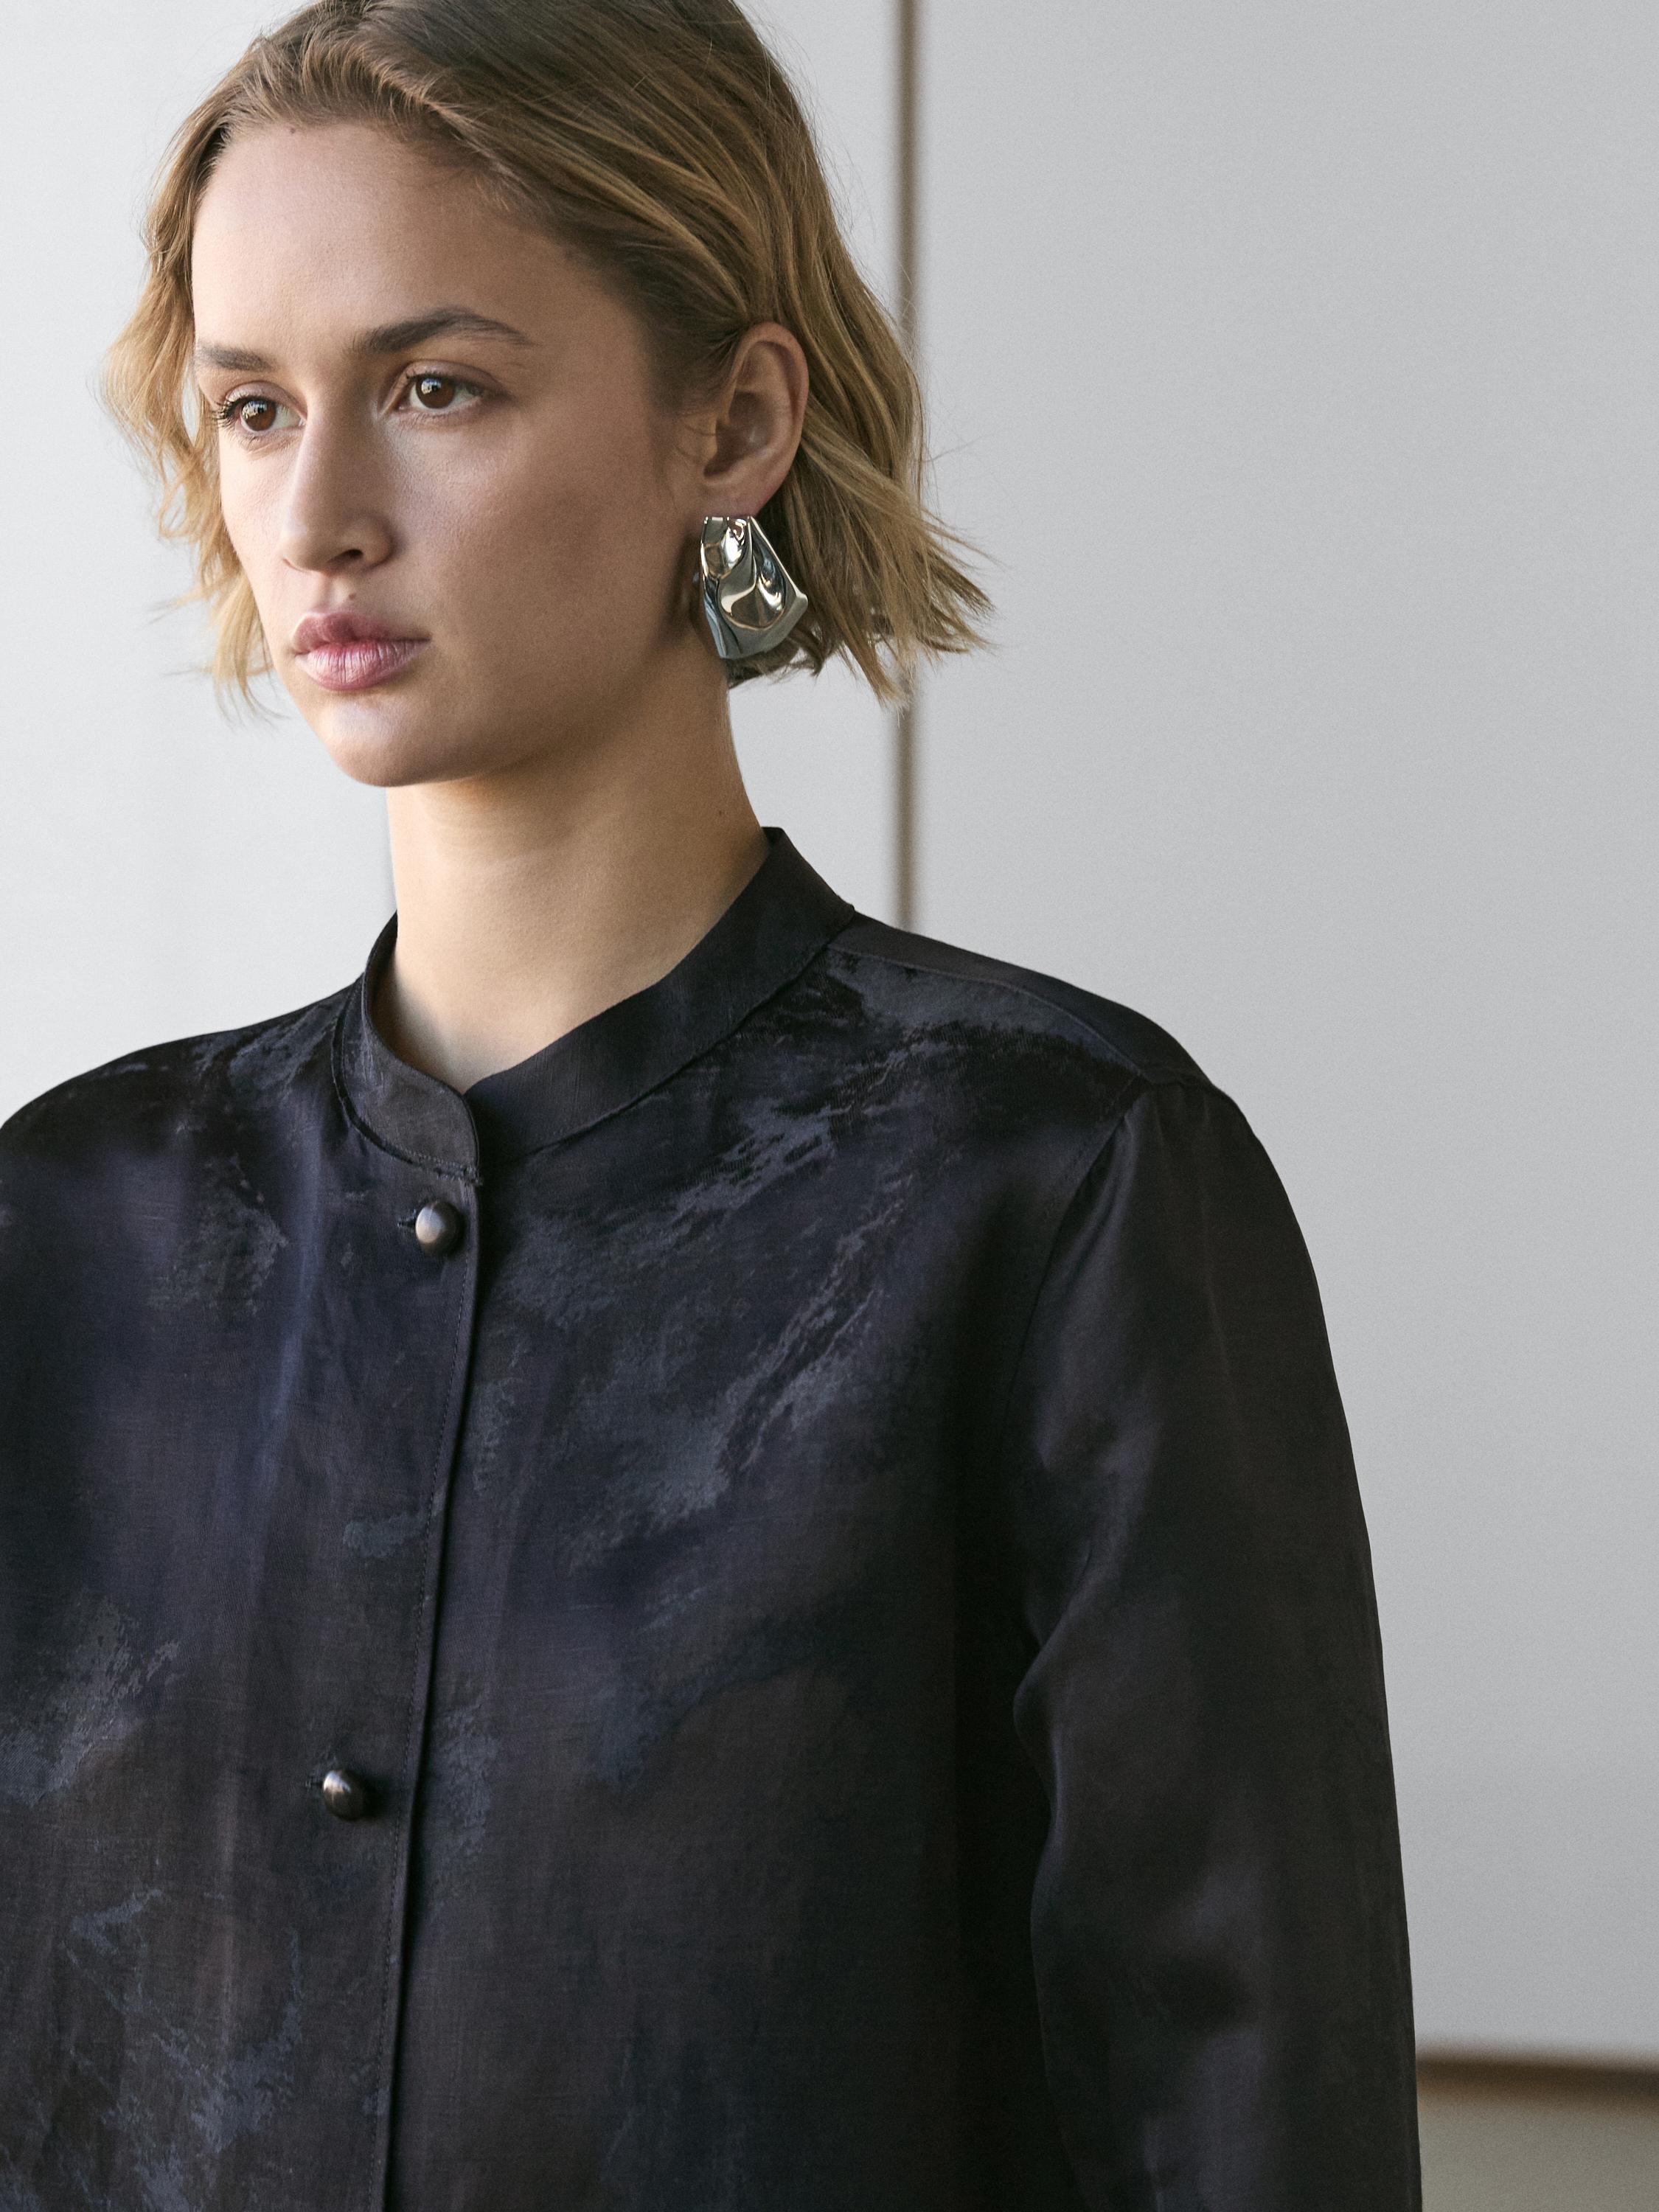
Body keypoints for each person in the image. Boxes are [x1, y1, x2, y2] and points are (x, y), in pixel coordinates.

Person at [0, 1, 1421, 2205]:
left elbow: (1247, 2125)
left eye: (436, 389)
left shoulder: (1052, 1181)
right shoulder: (71, 1220)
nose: (316, 516)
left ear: (734, 421)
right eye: (254, 407)